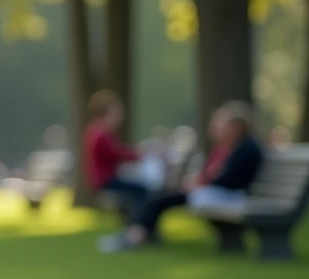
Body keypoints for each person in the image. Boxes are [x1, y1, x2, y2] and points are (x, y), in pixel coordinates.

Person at [98, 101, 263, 253]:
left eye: (224, 125)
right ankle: (136, 233)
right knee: (159, 196)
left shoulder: (246, 149)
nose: (219, 129)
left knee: (160, 197)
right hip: (215, 192)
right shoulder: (232, 146)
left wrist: (199, 183)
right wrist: (199, 181)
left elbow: (228, 180)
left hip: (227, 196)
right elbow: (216, 175)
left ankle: (135, 236)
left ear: (237, 127)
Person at [82, 90, 146, 222]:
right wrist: (141, 154)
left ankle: (135, 224)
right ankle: (139, 226)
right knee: (143, 190)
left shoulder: (96, 130)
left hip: (106, 179)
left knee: (138, 188)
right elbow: (118, 154)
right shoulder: (101, 134)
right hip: (106, 181)